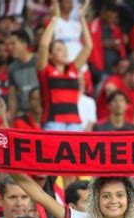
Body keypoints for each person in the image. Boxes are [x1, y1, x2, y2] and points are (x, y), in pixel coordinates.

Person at [37, 0, 93, 131]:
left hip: (75, 123)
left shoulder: (72, 69)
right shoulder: (45, 70)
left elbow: (88, 46)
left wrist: (82, 19)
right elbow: (44, 45)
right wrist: (55, 19)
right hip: (53, 123)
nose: (64, 51)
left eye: (65, 49)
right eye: (58, 49)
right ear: (50, 55)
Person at [7, 29, 38, 118]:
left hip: (41, 112)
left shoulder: (38, 61)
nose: (9, 47)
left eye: (13, 44)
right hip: (24, 114)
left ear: (24, 44)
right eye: (8, 44)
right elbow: (12, 98)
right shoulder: (12, 68)